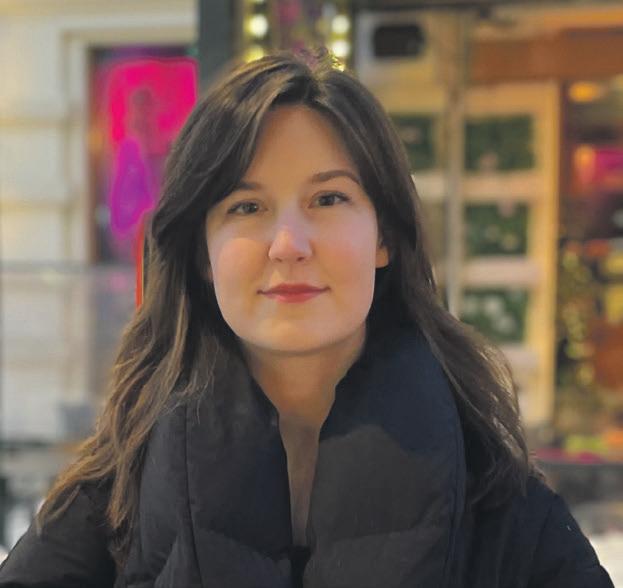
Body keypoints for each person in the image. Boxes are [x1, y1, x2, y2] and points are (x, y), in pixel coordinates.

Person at [0, 48, 614, 588]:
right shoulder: (115, 495)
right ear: (202, 254)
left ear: (384, 236)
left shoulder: (499, 503)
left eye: (328, 198)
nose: (288, 243)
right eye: (246, 206)